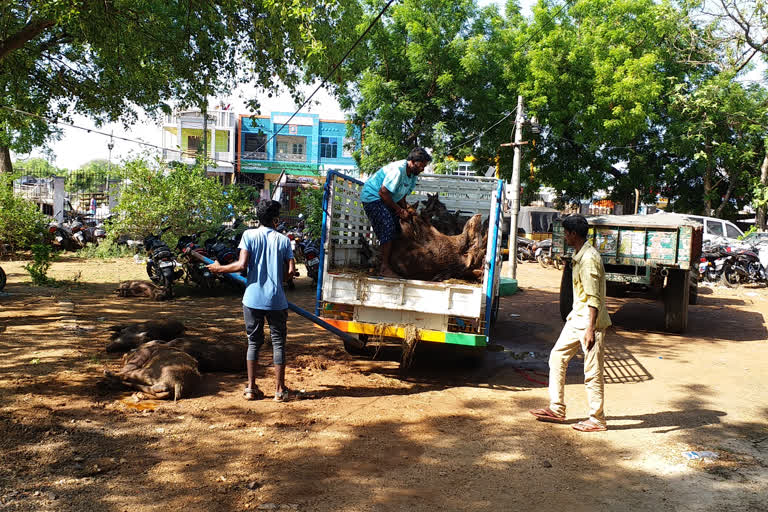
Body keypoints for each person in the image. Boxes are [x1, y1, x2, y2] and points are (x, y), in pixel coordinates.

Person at [207, 200, 297, 402]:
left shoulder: (248, 235)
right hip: (277, 300)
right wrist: (282, 279)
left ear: (258, 217)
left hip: (252, 298)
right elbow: (290, 271)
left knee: (254, 343)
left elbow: (241, 265)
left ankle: (251, 388)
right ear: (276, 219)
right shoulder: (283, 240)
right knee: (278, 344)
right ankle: (280, 390)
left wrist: (218, 268)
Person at [529, 214, 612, 432]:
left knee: (592, 373)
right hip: (577, 319)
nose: (564, 236)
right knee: (557, 357)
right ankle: (557, 408)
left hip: (589, 323)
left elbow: (594, 297)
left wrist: (591, 329)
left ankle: (597, 420)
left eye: (566, 233)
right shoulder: (579, 255)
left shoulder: (589, 259)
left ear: (573, 234)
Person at [360, 147, 432, 277]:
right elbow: (383, 192)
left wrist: (406, 210)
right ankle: (384, 267)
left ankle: (392, 264)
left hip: (385, 199)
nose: (423, 169)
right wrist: (399, 210)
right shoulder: (398, 170)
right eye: (422, 165)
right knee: (388, 227)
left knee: (399, 229)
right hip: (373, 197)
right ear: (413, 161)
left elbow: (401, 196)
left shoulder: (413, 176)